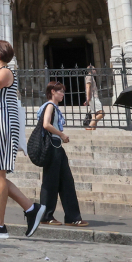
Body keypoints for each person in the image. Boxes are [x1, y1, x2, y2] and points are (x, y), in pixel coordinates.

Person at [0, 40, 45, 240]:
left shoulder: (4, 72)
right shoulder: (0, 72)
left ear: (0, 53)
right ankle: (31, 208)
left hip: (1, 127)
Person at [38, 82, 85, 227]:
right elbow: (46, 124)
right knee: (51, 182)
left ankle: (72, 217)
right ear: (53, 91)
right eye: (61, 91)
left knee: (66, 181)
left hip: (57, 147)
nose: (63, 94)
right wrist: (62, 135)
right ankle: (46, 215)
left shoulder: (53, 107)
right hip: (53, 146)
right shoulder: (50, 106)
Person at [84, 65, 105, 130]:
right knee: (102, 113)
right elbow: (88, 87)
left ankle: (92, 128)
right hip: (93, 97)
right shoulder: (89, 77)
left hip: (92, 97)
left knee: (94, 115)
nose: (95, 70)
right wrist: (88, 98)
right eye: (94, 69)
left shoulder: (90, 77)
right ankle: (90, 126)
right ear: (91, 70)